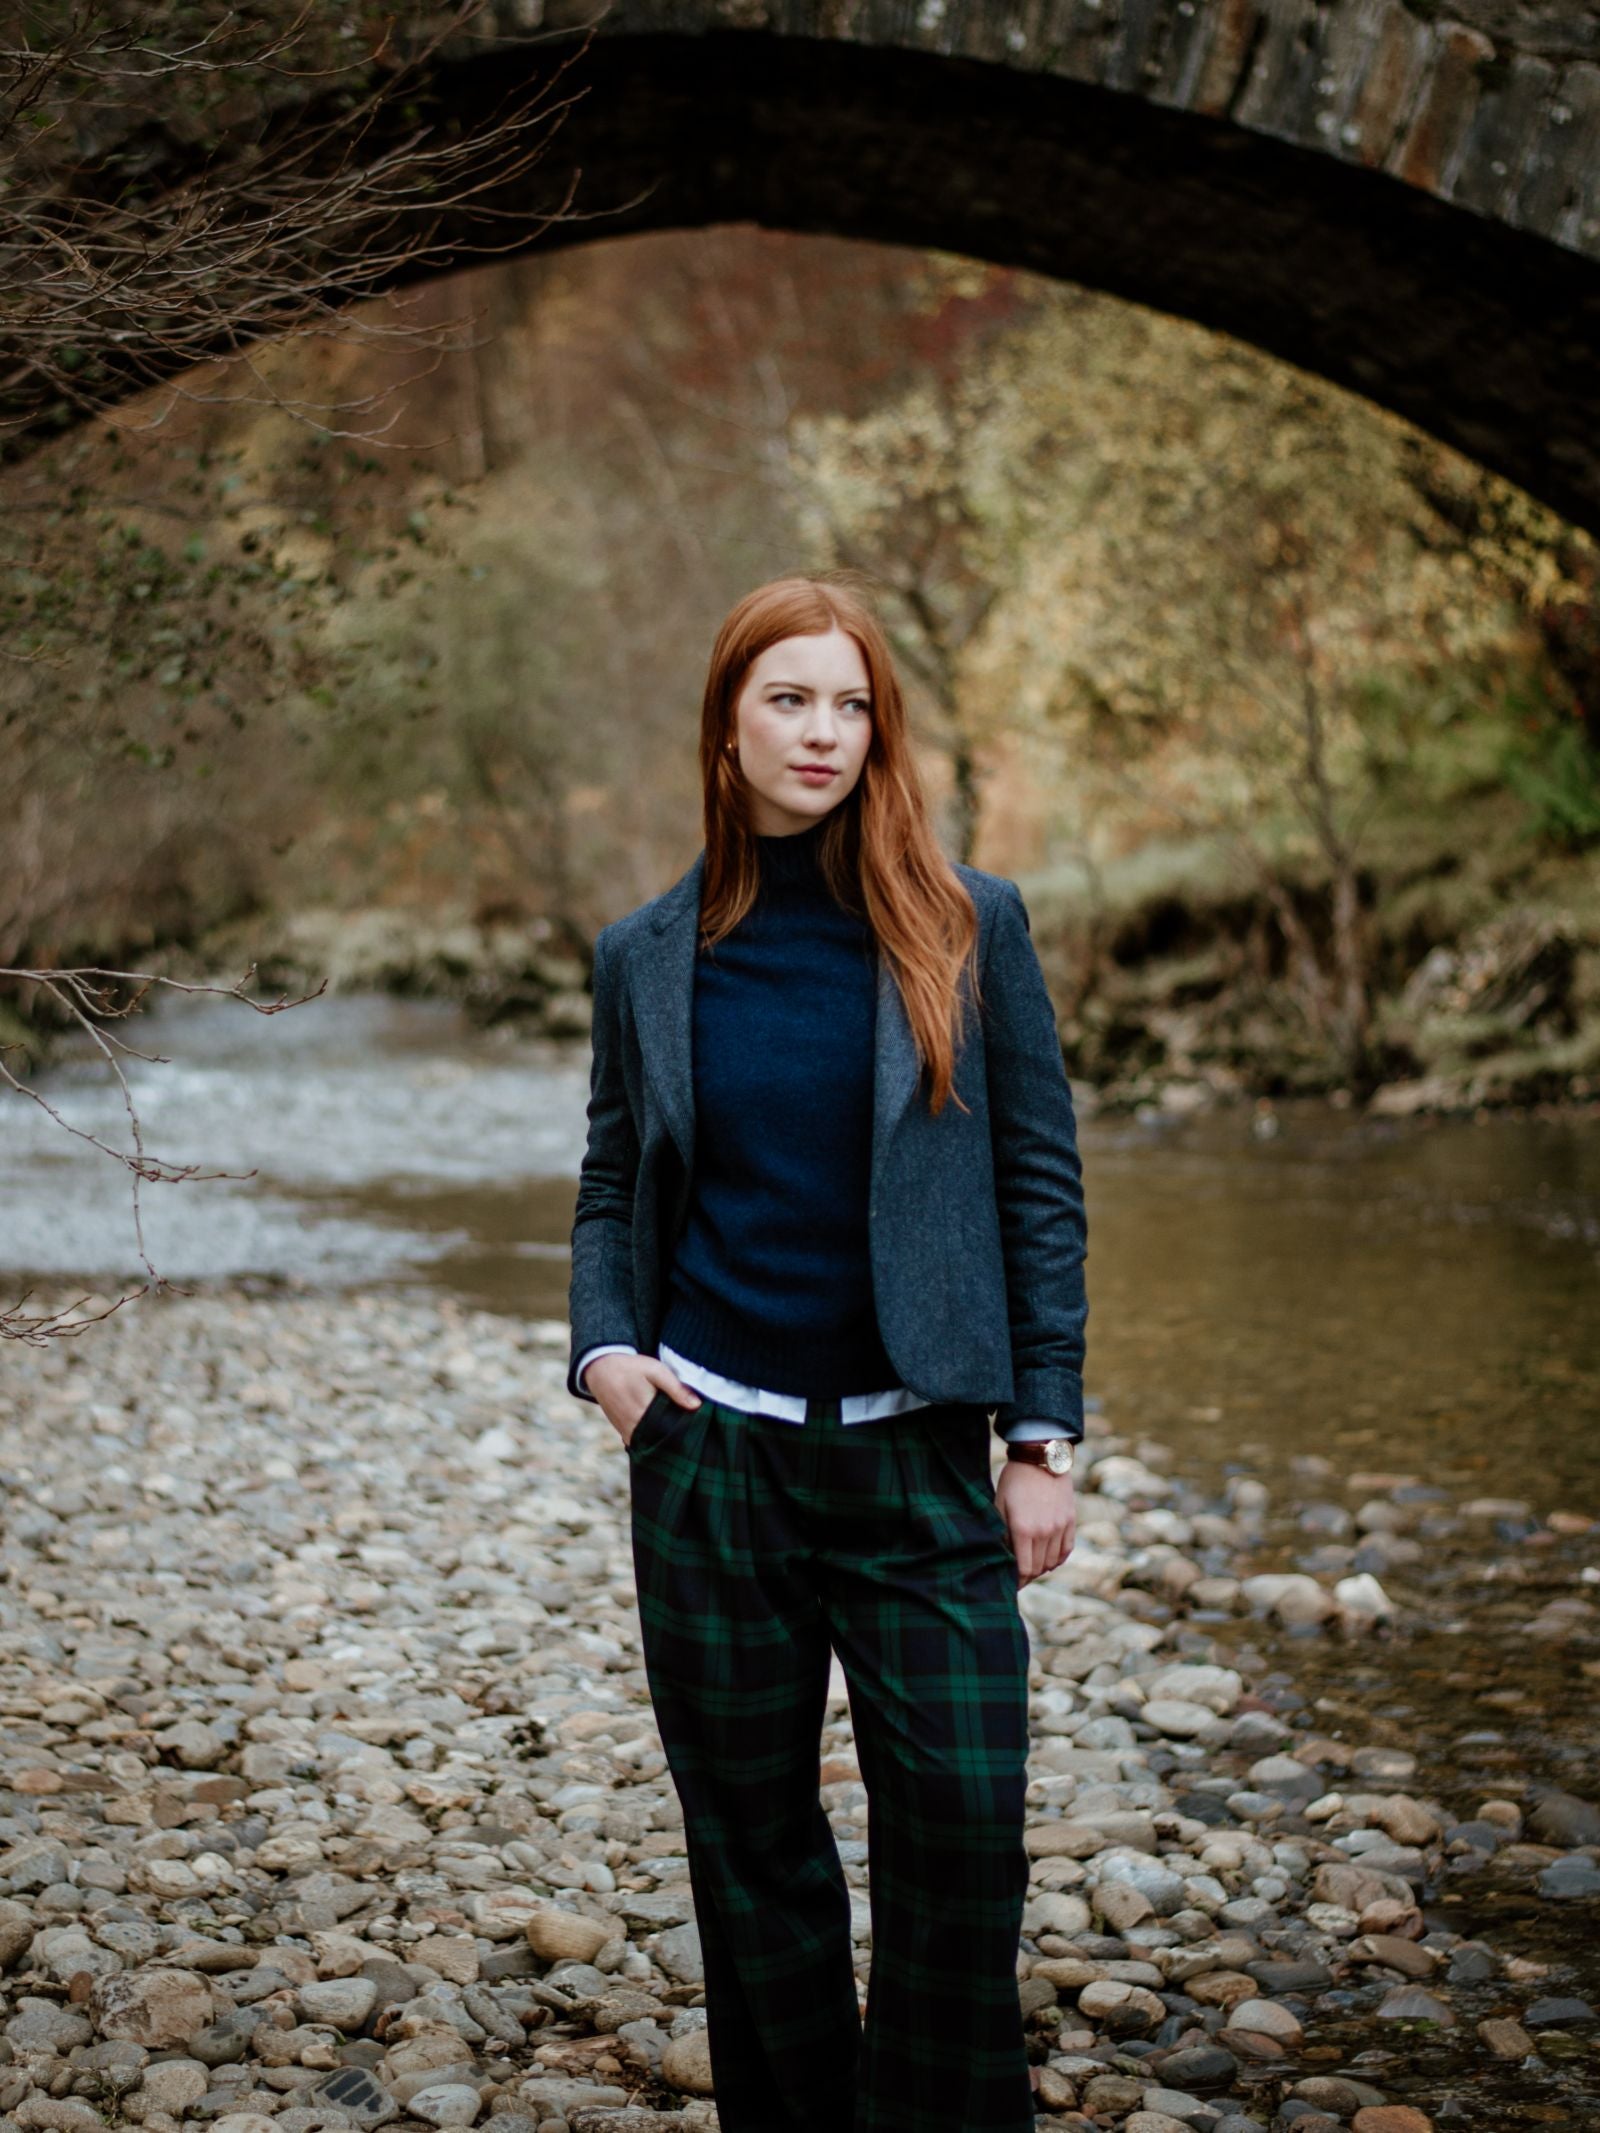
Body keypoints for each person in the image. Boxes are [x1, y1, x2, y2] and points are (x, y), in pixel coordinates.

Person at [566, 572, 1088, 2133]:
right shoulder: (645, 952)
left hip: (919, 1455)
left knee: (966, 1841)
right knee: (754, 1855)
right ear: (727, 727)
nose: (824, 730)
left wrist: (1040, 1433)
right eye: (790, 697)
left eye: (852, 702)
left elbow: (1038, 1183)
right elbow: (610, 1182)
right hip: (712, 1464)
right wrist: (607, 1359)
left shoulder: (965, 920)